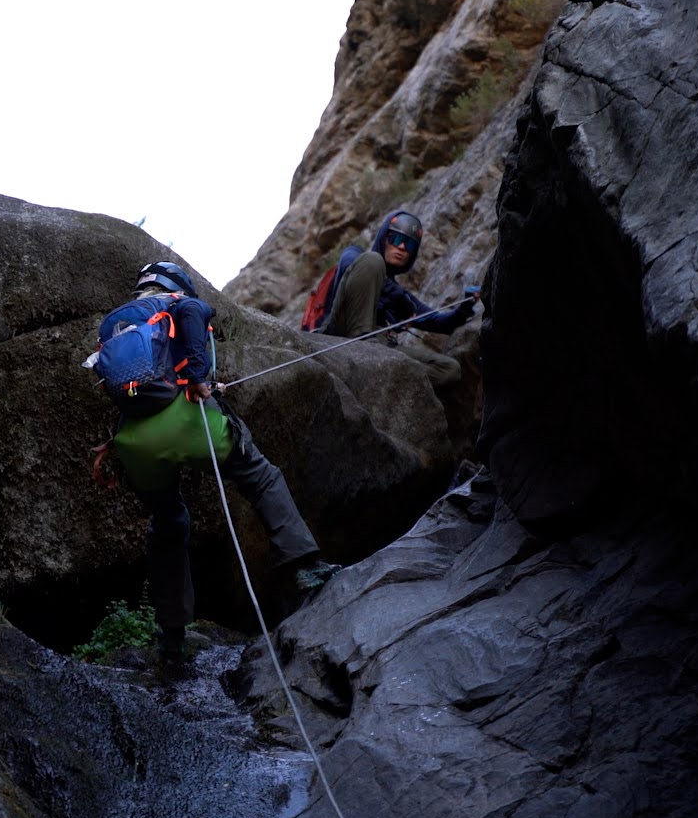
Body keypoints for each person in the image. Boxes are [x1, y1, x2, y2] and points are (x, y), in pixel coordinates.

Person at [91, 261, 338, 671]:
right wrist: (200, 376)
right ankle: (304, 566)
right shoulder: (178, 302)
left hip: (133, 441)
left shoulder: (112, 325)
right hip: (187, 418)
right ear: (176, 285)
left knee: (168, 523)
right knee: (258, 475)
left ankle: (172, 640)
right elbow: (195, 315)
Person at [305, 209, 480, 384]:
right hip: (339, 332)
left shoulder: (400, 297)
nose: (402, 247)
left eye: (409, 245)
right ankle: (366, 343)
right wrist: (399, 299)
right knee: (373, 261)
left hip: (380, 346)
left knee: (449, 369)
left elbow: (437, 321)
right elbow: (349, 262)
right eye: (396, 239)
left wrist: (464, 308)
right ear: (383, 238)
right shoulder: (357, 257)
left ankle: (391, 373)